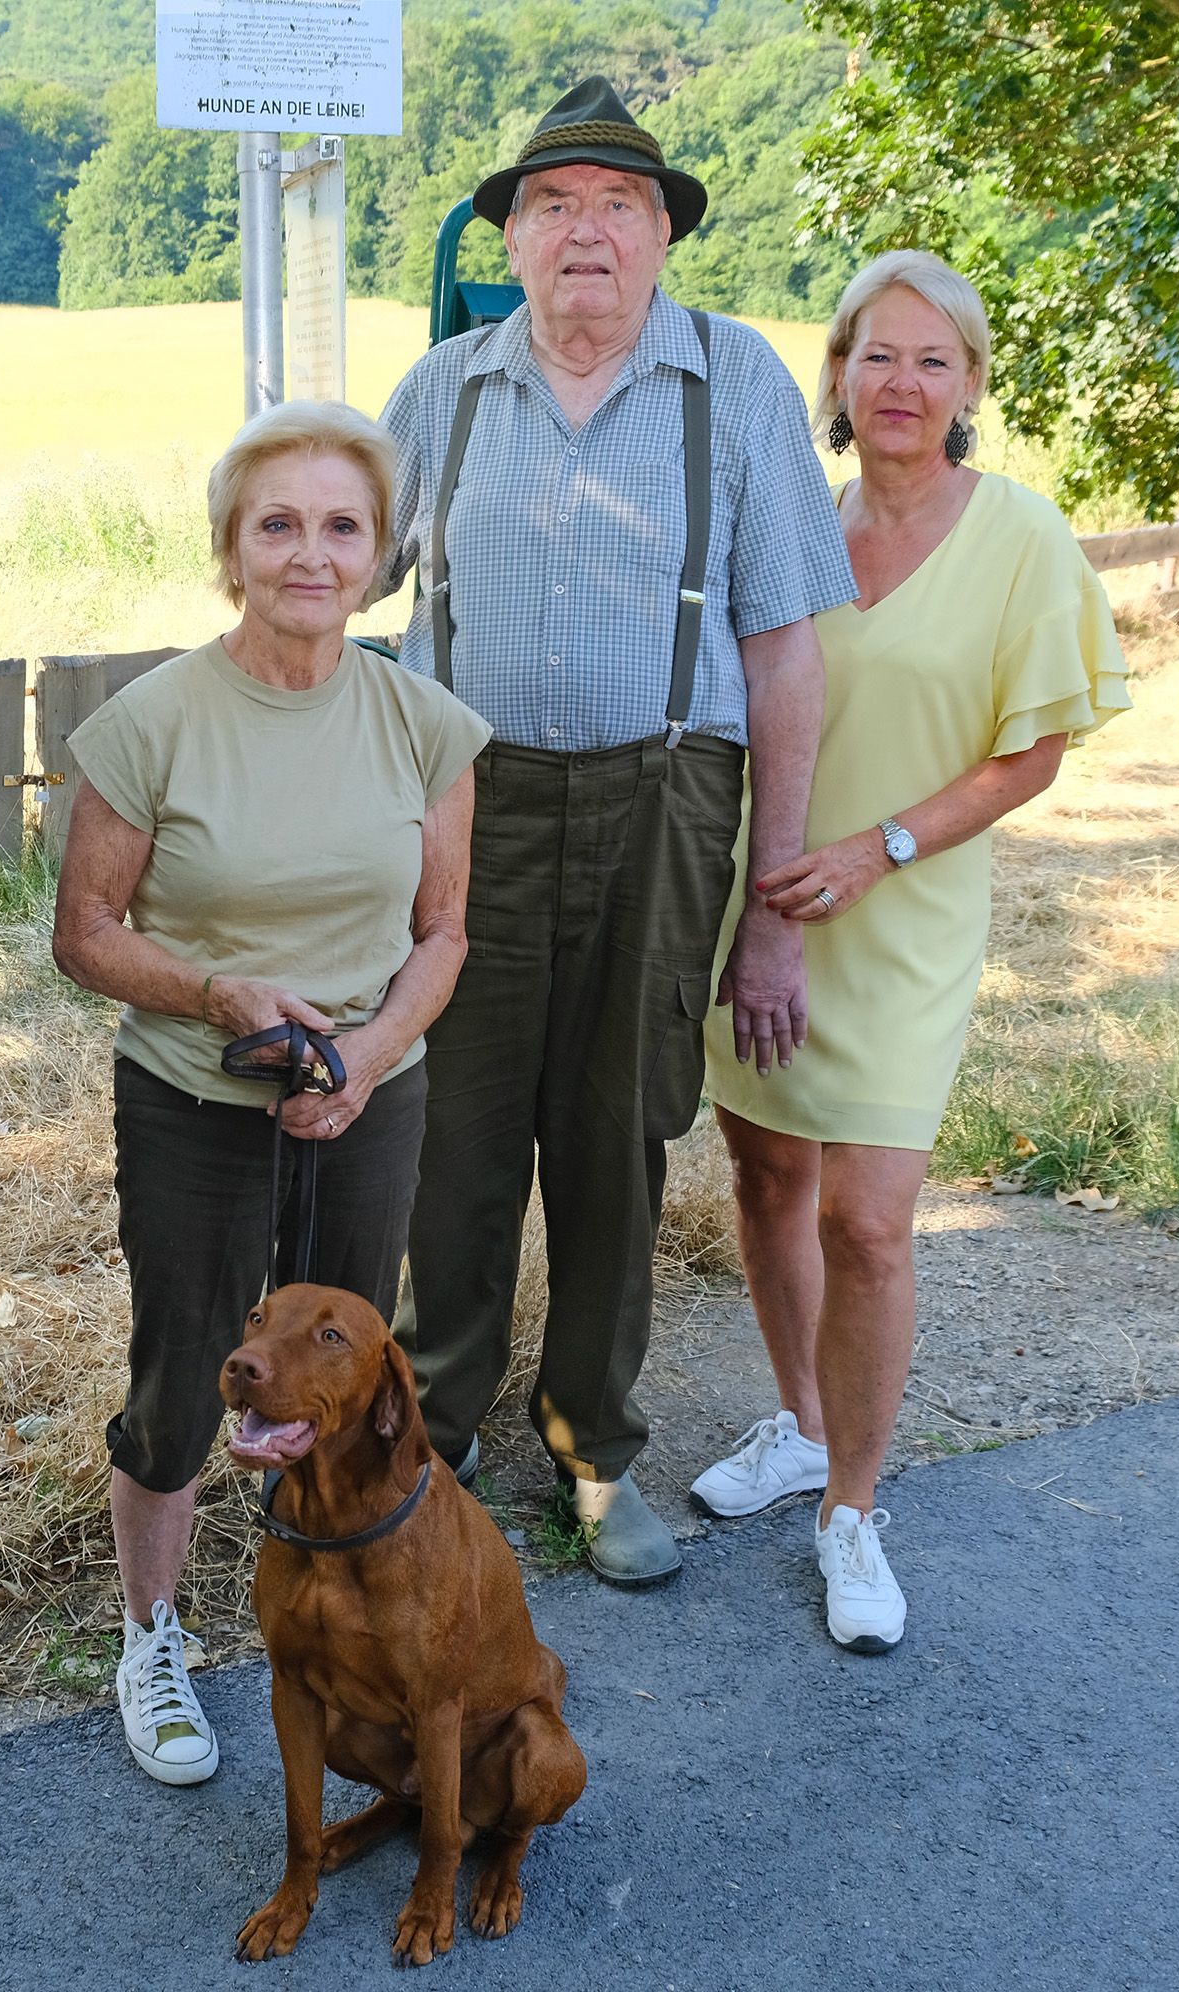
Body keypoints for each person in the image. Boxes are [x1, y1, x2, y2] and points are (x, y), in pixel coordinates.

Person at [375, 79, 857, 1588]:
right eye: (551, 206)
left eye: (618, 206)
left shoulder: (739, 382)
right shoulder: (440, 389)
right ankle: (427, 1439)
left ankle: (592, 1447)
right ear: (504, 240)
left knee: (614, 1136)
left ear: (661, 240)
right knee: (449, 1137)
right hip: (465, 801)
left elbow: (783, 650)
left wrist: (771, 904)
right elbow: (329, 601)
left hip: (665, 800)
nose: (584, 231)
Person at [690, 249, 1130, 1654]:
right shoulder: (789, 532)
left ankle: (854, 1515)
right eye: (874, 356)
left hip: (905, 917)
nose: (899, 384)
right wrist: (767, 891)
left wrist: (876, 847)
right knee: (762, 1174)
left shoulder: (1019, 537)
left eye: (931, 361)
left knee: (865, 1222)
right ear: (834, 377)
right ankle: (800, 1428)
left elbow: (1032, 754)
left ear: (969, 389)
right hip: (758, 916)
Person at [52, 400, 487, 1788]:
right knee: (193, 1380)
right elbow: (87, 932)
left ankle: (329, 1611)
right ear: (231, 549)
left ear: (378, 555)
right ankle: (155, 1636)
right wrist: (222, 997)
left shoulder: (425, 725)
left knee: (340, 1387)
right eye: (278, 525)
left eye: (341, 526)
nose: (311, 554)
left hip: (372, 1099)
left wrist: (361, 1062)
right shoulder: (150, 722)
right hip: (193, 1100)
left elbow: (442, 935)